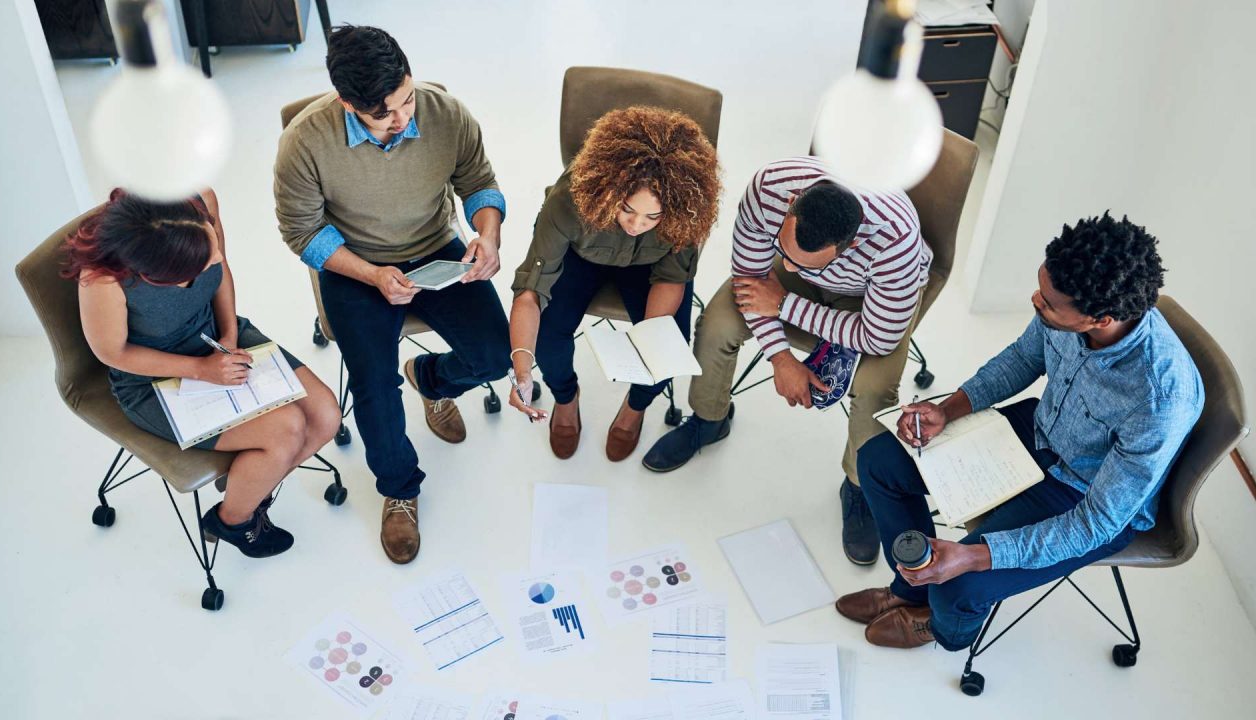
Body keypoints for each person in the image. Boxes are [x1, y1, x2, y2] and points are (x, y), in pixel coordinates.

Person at [836, 213, 1203, 651]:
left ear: (1099, 319)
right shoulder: (1068, 310)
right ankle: (910, 587)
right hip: (1037, 434)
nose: (1035, 300)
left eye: (1048, 302)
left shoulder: (1160, 397)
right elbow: (1023, 359)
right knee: (879, 460)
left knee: (956, 588)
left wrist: (972, 555)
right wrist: (947, 409)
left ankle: (937, 623)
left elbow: (1097, 523)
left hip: (1084, 496)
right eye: (1041, 288)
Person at [274, 25, 510, 565]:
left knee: (497, 355)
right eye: (385, 114)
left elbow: (478, 180)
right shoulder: (305, 143)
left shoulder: (444, 112)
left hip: (436, 250)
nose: (404, 120)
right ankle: (399, 489)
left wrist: (488, 235)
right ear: (346, 102)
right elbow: (303, 233)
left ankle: (431, 379)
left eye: (406, 100)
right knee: (375, 390)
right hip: (356, 268)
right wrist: (372, 274)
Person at [642, 156, 930, 565]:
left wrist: (783, 304)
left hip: (870, 300)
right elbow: (749, 277)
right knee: (718, 325)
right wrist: (780, 357)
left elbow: (878, 337)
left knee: (875, 386)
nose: (790, 265)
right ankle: (709, 421)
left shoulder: (895, 239)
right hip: (783, 291)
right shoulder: (769, 187)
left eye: (803, 262)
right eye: (786, 251)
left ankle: (860, 484)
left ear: (849, 245)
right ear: (793, 202)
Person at [66, 189, 341, 558]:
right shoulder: (102, 279)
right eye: (198, 265)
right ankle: (232, 519)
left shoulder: (199, 202)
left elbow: (222, 269)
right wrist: (201, 369)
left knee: (326, 416)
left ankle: (251, 486)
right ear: (158, 276)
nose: (214, 257)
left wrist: (227, 336)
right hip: (152, 377)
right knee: (287, 429)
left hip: (215, 337)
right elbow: (112, 353)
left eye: (209, 244)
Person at [506, 106, 721, 461]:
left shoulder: (687, 211)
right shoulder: (567, 202)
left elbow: (670, 279)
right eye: (628, 210)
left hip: (649, 269)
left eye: (653, 216)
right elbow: (530, 292)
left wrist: (650, 341)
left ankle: (634, 408)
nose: (637, 225)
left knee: (668, 347)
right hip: (581, 255)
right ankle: (565, 397)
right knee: (547, 334)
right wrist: (523, 372)